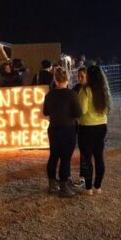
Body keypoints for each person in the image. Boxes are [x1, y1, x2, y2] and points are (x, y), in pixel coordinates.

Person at [43, 67, 82, 197]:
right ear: (67, 79)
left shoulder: (49, 95)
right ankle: (64, 186)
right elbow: (78, 113)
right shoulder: (72, 94)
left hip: (53, 129)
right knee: (65, 158)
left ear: (55, 80)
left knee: (53, 156)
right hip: (68, 129)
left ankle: (52, 185)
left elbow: (45, 112)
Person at [78, 65, 111, 196]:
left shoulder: (85, 90)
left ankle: (88, 188)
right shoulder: (104, 90)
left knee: (86, 158)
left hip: (87, 127)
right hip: (102, 126)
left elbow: (82, 110)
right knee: (99, 157)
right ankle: (98, 186)